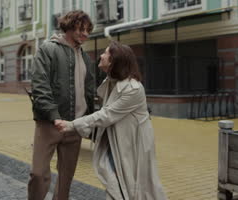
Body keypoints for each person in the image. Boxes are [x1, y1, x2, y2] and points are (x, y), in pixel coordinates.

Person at [55, 41, 167, 200]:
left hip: (131, 144)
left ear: (115, 60)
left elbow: (106, 114)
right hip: (115, 141)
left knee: (133, 187)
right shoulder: (112, 82)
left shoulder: (133, 88)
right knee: (115, 182)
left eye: (106, 53)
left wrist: (72, 125)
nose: (101, 55)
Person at [28, 10, 95, 200]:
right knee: (38, 174)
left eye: (88, 31)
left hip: (75, 126)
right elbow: (40, 86)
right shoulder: (48, 49)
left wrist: (89, 121)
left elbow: (89, 93)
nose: (86, 34)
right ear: (69, 26)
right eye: (81, 29)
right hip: (49, 124)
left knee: (66, 179)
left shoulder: (86, 57)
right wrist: (53, 115)